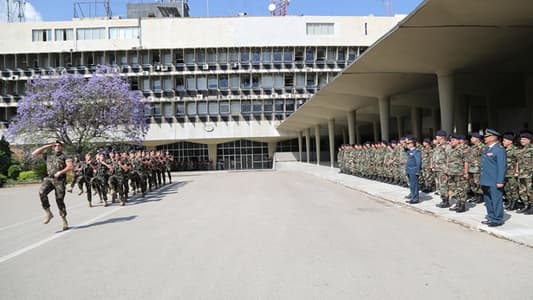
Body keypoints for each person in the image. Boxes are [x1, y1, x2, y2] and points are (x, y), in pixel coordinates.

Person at [31, 140, 73, 230]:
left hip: (60, 180)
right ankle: (48, 213)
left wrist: (60, 172)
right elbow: (34, 154)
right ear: (53, 147)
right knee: (41, 192)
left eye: (59, 145)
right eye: (55, 145)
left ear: (62, 147)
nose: (57, 147)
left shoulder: (65, 156)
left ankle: (64, 220)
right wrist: (48, 145)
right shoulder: (48, 156)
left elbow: (70, 167)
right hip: (49, 179)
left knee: (59, 200)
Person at [480, 129, 507, 227]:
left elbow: (501, 166)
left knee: (496, 200)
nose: (485, 138)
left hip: (494, 180)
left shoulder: (499, 149)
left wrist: (500, 181)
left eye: (486, 136)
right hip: (486, 179)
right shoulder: (487, 148)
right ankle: (491, 217)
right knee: (488, 200)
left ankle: (497, 219)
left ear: (494, 137)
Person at [405, 136, 422, 204]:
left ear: (412, 144)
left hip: (414, 171)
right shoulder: (409, 151)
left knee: (414, 185)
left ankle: (415, 199)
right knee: (411, 185)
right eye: (407, 143)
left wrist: (417, 171)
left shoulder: (416, 151)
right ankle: (412, 197)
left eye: (408, 143)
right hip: (409, 171)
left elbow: (418, 162)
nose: (407, 145)